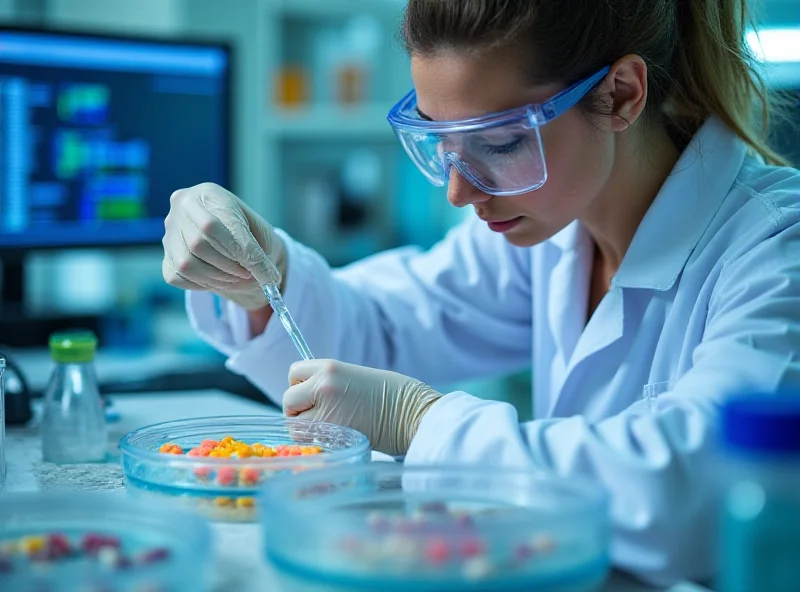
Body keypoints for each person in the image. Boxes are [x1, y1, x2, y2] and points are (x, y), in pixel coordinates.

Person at [161, 0, 800, 585]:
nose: (460, 192)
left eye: (499, 142)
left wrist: (419, 421)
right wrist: (262, 276)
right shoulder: (551, 227)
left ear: (620, 95)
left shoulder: (777, 248)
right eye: (442, 142)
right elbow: (383, 331)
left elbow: (699, 490)